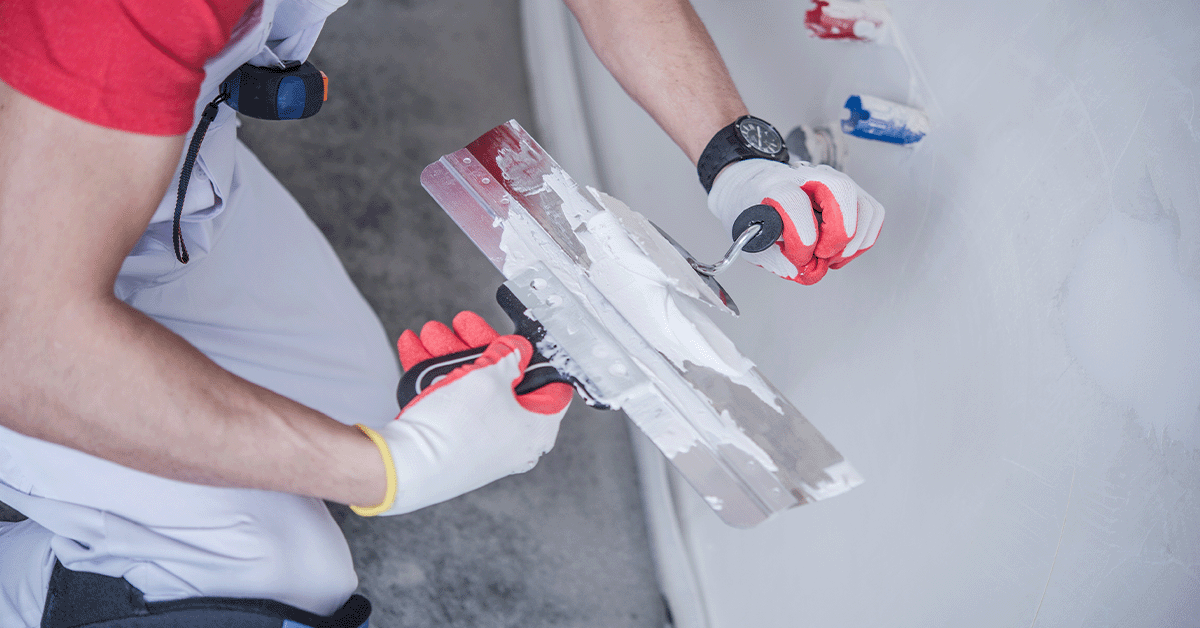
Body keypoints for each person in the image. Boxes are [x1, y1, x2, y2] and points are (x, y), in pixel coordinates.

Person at [0, 0, 883, 625]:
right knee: (272, 567)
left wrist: (736, 155)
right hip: (23, 264)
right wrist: (388, 469)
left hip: (132, 170)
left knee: (338, 416)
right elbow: (28, 345)